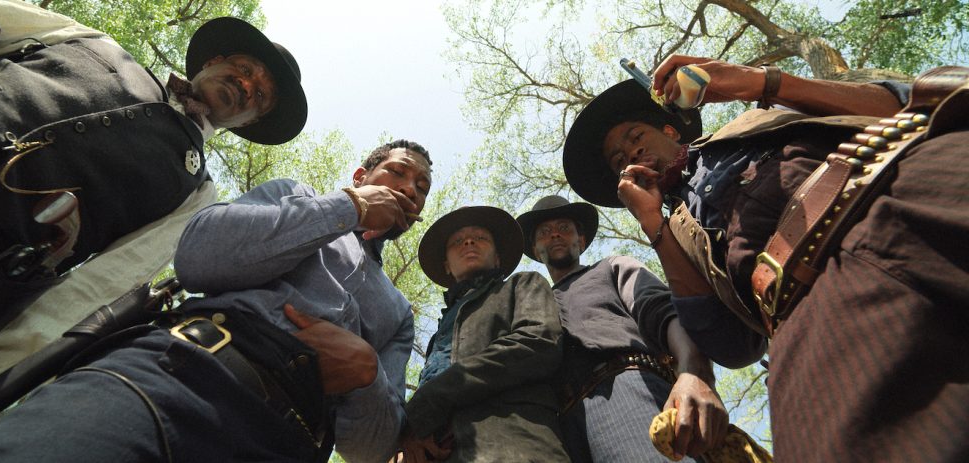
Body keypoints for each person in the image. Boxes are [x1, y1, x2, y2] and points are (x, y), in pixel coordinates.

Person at [562, 54, 969, 461]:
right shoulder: (677, 237)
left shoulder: (760, 120)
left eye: (636, 137)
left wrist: (762, 83)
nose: (631, 154)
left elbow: (905, 104)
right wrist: (655, 226)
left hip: (907, 188)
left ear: (670, 129)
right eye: (620, 160)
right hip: (814, 317)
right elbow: (732, 344)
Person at [0, 139, 432, 462]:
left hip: (289, 442)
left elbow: (371, 449)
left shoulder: (397, 314)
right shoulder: (295, 196)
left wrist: (367, 372)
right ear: (361, 173)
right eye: (398, 171)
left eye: (421, 188)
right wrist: (347, 207)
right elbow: (199, 258)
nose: (409, 189)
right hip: (176, 372)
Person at [0, 0, 307, 367]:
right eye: (245, 68)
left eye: (259, 95)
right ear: (213, 62)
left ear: (247, 123)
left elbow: (100, 286)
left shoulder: (197, 195)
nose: (246, 85)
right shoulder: (89, 40)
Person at [516, 195, 738, 462]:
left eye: (564, 228)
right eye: (544, 232)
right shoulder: (530, 307)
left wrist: (694, 372)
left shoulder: (612, 267)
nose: (555, 235)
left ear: (581, 241)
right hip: (560, 434)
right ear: (535, 248)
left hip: (629, 393)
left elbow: (662, 311)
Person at [401, 206, 569, 463]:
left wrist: (434, 395)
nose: (468, 242)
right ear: (446, 265)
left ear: (498, 258)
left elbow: (539, 342)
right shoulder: (439, 332)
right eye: (457, 241)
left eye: (481, 238)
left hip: (514, 447)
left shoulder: (523, 284)